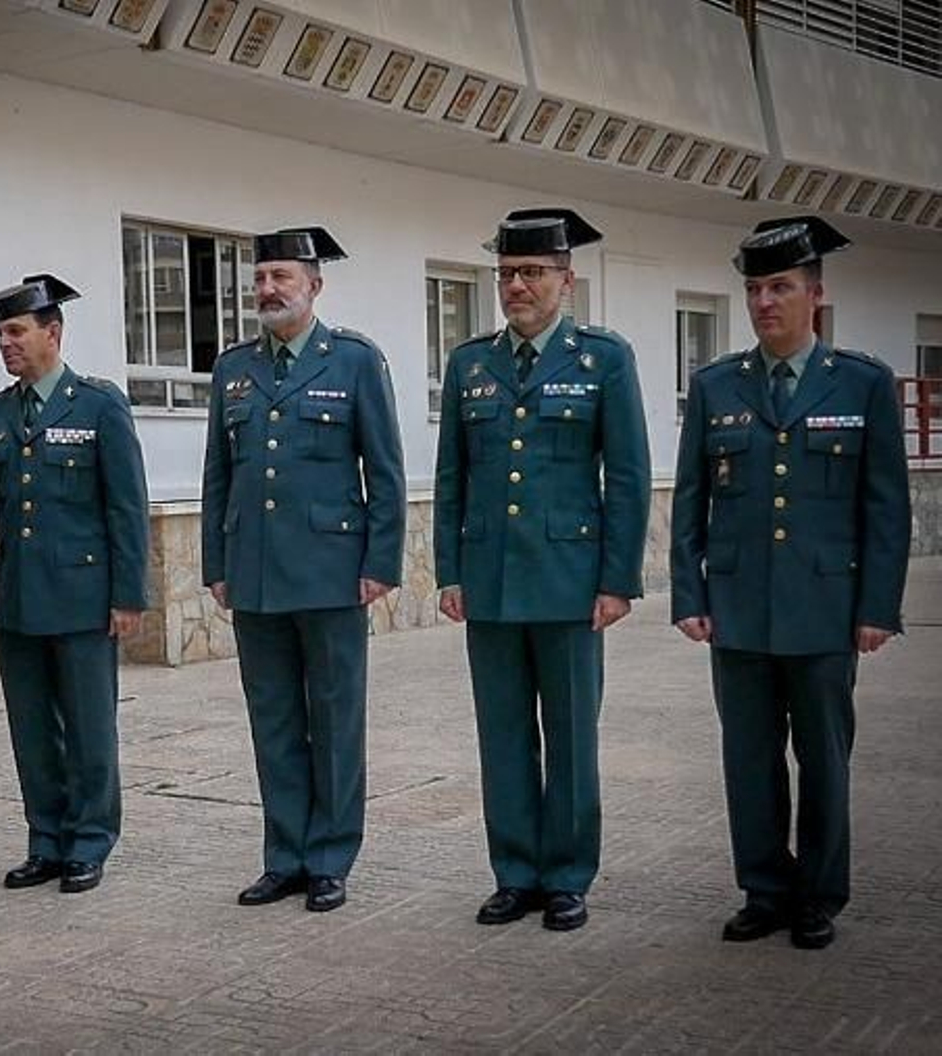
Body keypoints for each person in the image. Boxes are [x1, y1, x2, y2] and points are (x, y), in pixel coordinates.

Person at [670, 216, 910, 950]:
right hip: (738, 608)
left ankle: (819, 895)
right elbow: (689, 503)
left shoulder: (862, 384)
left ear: (815, 295)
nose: (764, 301)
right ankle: (765, 889)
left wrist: (877, 608)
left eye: (779, 287)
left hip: (825, 609)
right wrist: (690, 594)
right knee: (748, 759)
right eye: (753, 288)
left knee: (824, 759)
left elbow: (886, 508)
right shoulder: (716, 386)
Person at [432, 208, 651, 932]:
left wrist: (617, 579)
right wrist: (449, 571)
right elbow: (453, 476)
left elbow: (626, 475)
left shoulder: (603, 359)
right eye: (506, 275)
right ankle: (515, 873)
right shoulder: (471, 363)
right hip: (490, 580)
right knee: (502, 735)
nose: (516, 287)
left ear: (566, 280)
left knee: (570, 735)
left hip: (568, 582)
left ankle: (567, 875)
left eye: (531, 273)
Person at [201, 226, 406, 913]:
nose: (267, 290)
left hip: (331, 570)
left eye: (281, 278)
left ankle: (330, 857)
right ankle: (284, 856)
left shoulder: (351, 361)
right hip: (255, 571)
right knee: (276, 721)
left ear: (313, 286)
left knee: (336, 716)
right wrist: (216, 563)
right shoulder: (233, 369)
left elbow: (384, 470)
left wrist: (380, 563)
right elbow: (218, 476)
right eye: (260, 279)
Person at [0, 274, 149, 895]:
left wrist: (128, 596)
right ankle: (45, 840)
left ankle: (90, 842)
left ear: (53, 332)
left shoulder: (98, 405)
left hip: (83, 601)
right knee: (33, 732)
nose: (5, 343)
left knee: (90, 728)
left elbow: (126, 506)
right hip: (17, 600)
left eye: (16, 331)